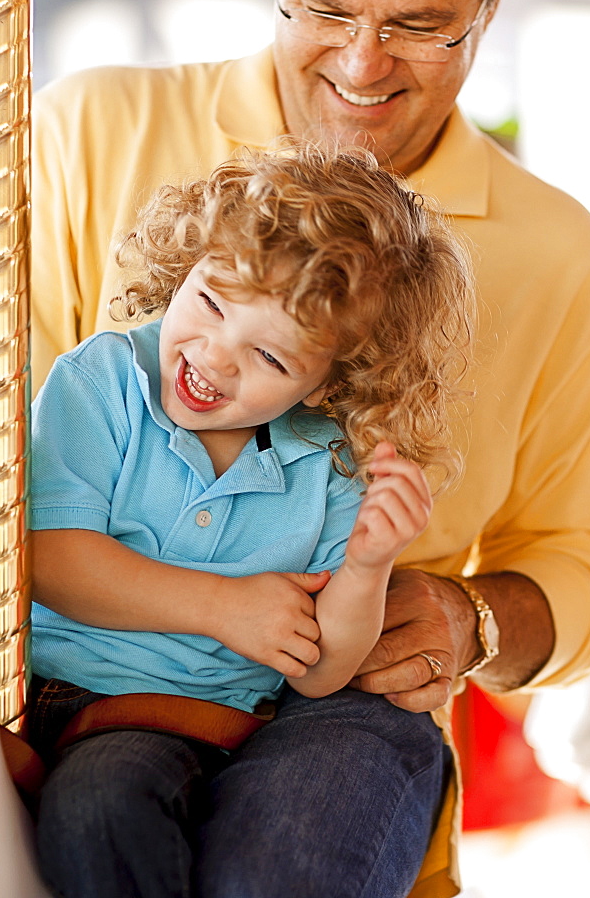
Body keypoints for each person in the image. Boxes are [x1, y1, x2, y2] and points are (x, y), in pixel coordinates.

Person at [0, 0, 590, 895]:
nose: (362, 67)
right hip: (97, 692)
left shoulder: (557, 250)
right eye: (322, 9)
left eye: (417, 26)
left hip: (342, 698)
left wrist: (467, 617)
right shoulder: (83, 136)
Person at [26, 144, 473, 896]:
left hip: (202, 728)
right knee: (80, 808)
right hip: (66, 703)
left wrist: (367, 566)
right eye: (210, 302)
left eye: (269, 355)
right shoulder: (101, 383)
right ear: (189, 261)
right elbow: (52, 561)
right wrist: (222, 606)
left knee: (145, 821)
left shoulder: (329, 466)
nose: (215, 357)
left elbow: (326, 667)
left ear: (335, 376)